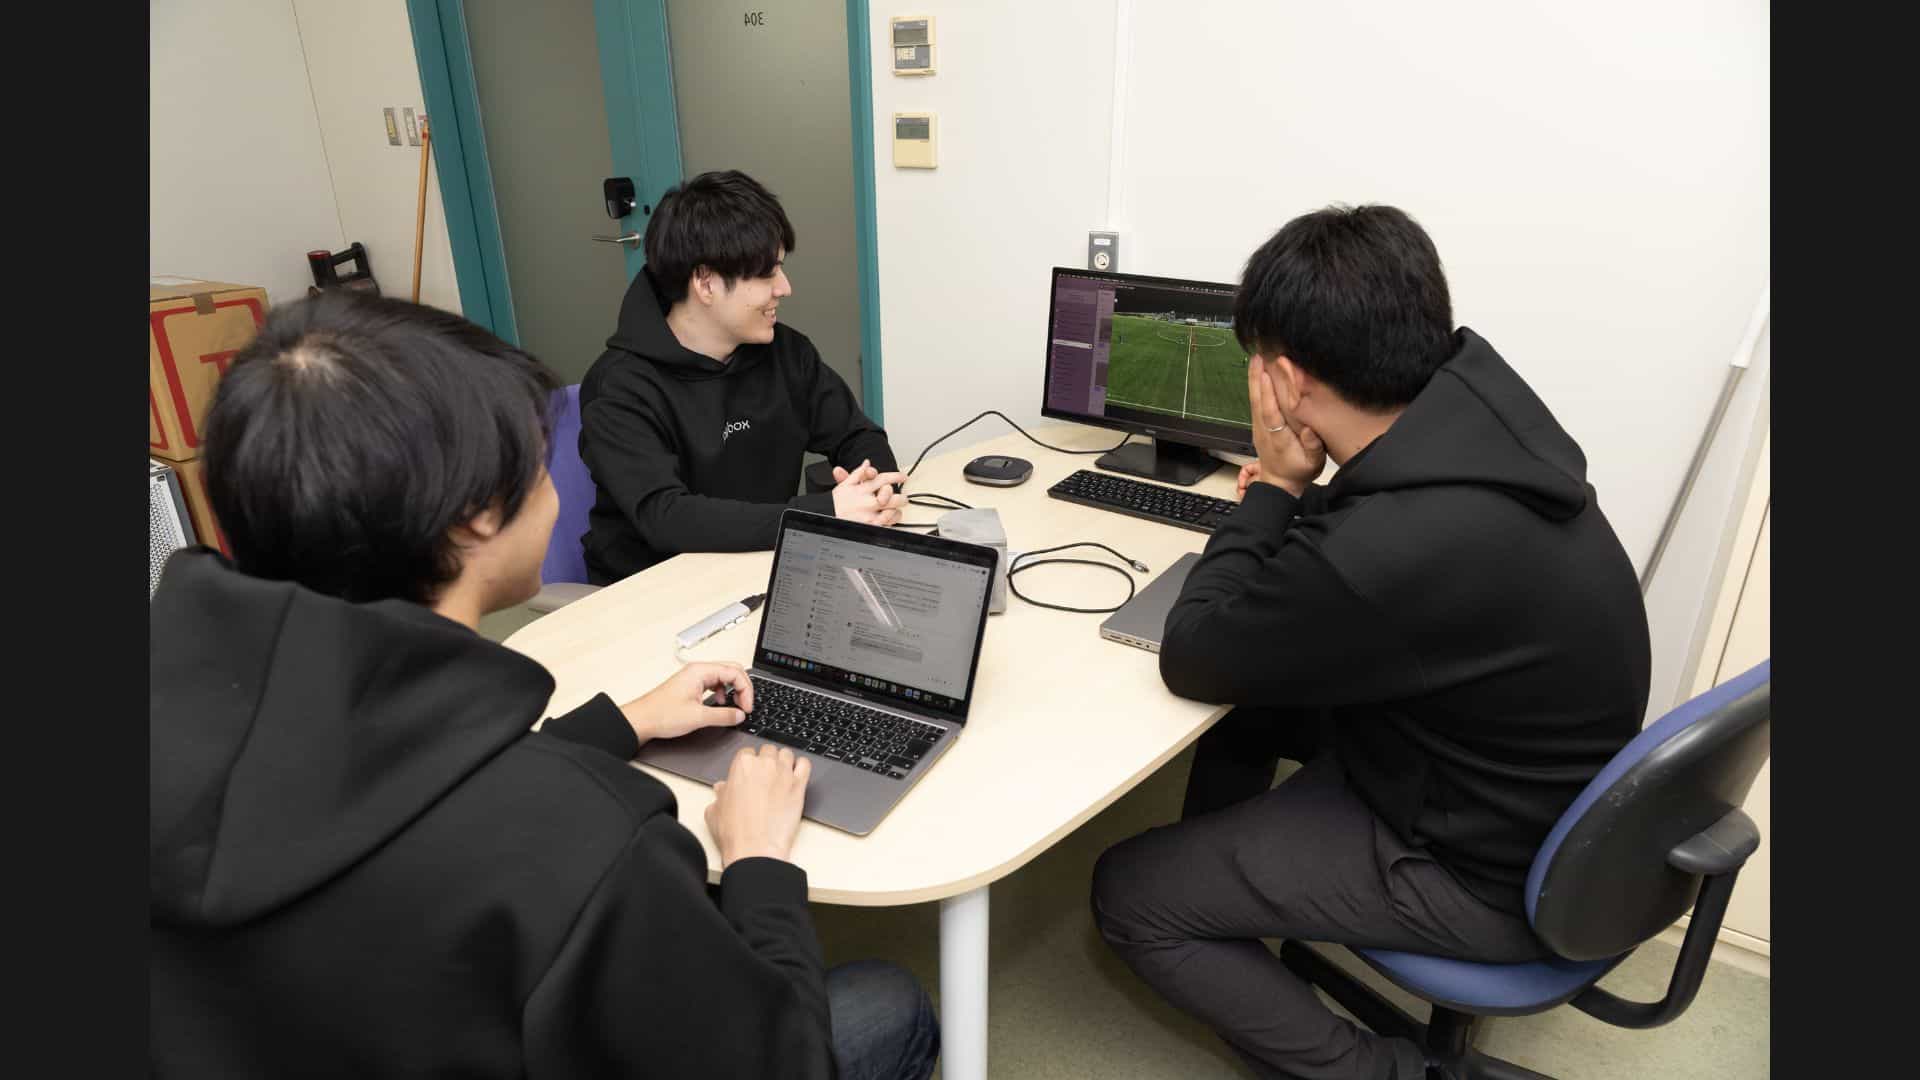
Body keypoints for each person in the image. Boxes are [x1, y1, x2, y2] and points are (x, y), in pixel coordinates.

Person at [150, 291, 940, 1079]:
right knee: (891, 1002)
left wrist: (626, 721)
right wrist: (758, 865)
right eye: (537, 461)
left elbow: (396, 785)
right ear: (475, 516)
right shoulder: (592, 838)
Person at [1090, 205, 1651, 1080]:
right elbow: (1380, 536)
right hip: (1534, 800)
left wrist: (1275, 488)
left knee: (1131, 893)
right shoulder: (1484, 422)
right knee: (1255, 712)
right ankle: (1228, 884)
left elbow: (1193, 653)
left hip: (1481, 875)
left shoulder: (1388, 550)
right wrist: (1306, 504)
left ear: (1285, 379)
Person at [580, 169, 906, 583]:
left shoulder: (787, 353)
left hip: (763, 564)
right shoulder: (620, 388)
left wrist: (876, 490)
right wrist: (827, 512)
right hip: (651, 590)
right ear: (706, 282)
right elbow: (667, 517)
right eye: (767, 273)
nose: (784, 288)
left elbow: (857, 435)